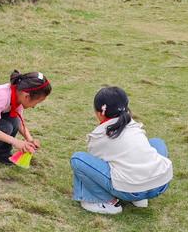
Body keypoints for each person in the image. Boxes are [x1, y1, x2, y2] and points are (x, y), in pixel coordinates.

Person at [70, 86, 173, 215]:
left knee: (78, 159)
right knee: (157, 143)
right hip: (160, 185)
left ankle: (107, 202)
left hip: (130, 189)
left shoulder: (99, 135)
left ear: (100, 112)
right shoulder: (134, 125)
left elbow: (96, 166)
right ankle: (141, 198)